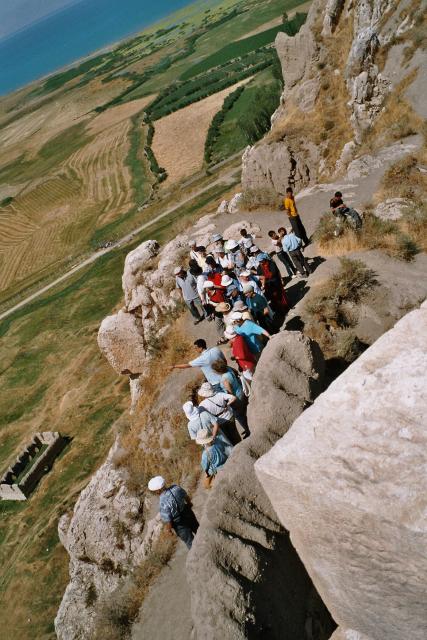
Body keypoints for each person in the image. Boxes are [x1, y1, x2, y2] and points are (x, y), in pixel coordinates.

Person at [148, 476, 199, 549]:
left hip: (179, 523)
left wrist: (168, 530)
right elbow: (186, 496)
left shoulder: (163, 502)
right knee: (197, 528)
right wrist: (189, 504)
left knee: (189, 541)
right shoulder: (176, 488)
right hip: (187, 512)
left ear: (157, 491)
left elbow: (168, 520)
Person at [211, 359, 250, 438]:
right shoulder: (229, 369)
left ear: (218, 371)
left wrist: (227, 403)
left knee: (239, 416)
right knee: (244, 411)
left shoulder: (224, 379)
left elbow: (230, 393)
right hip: (241, 392)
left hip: (237, 399)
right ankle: (248, 427)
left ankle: (248, 430)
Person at [252, 247, 289, 316]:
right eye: (259, 261)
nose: (260, 262)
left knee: (280, 297)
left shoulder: (271, 263)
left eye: (261, 261)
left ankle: (285, 309)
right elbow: (259, 275)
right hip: (268, 286)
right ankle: (279, 311)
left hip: (276, 284)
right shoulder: (259, 267)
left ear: (264, 259)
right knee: (274, 299)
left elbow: (274, 273)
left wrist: (266, 278)